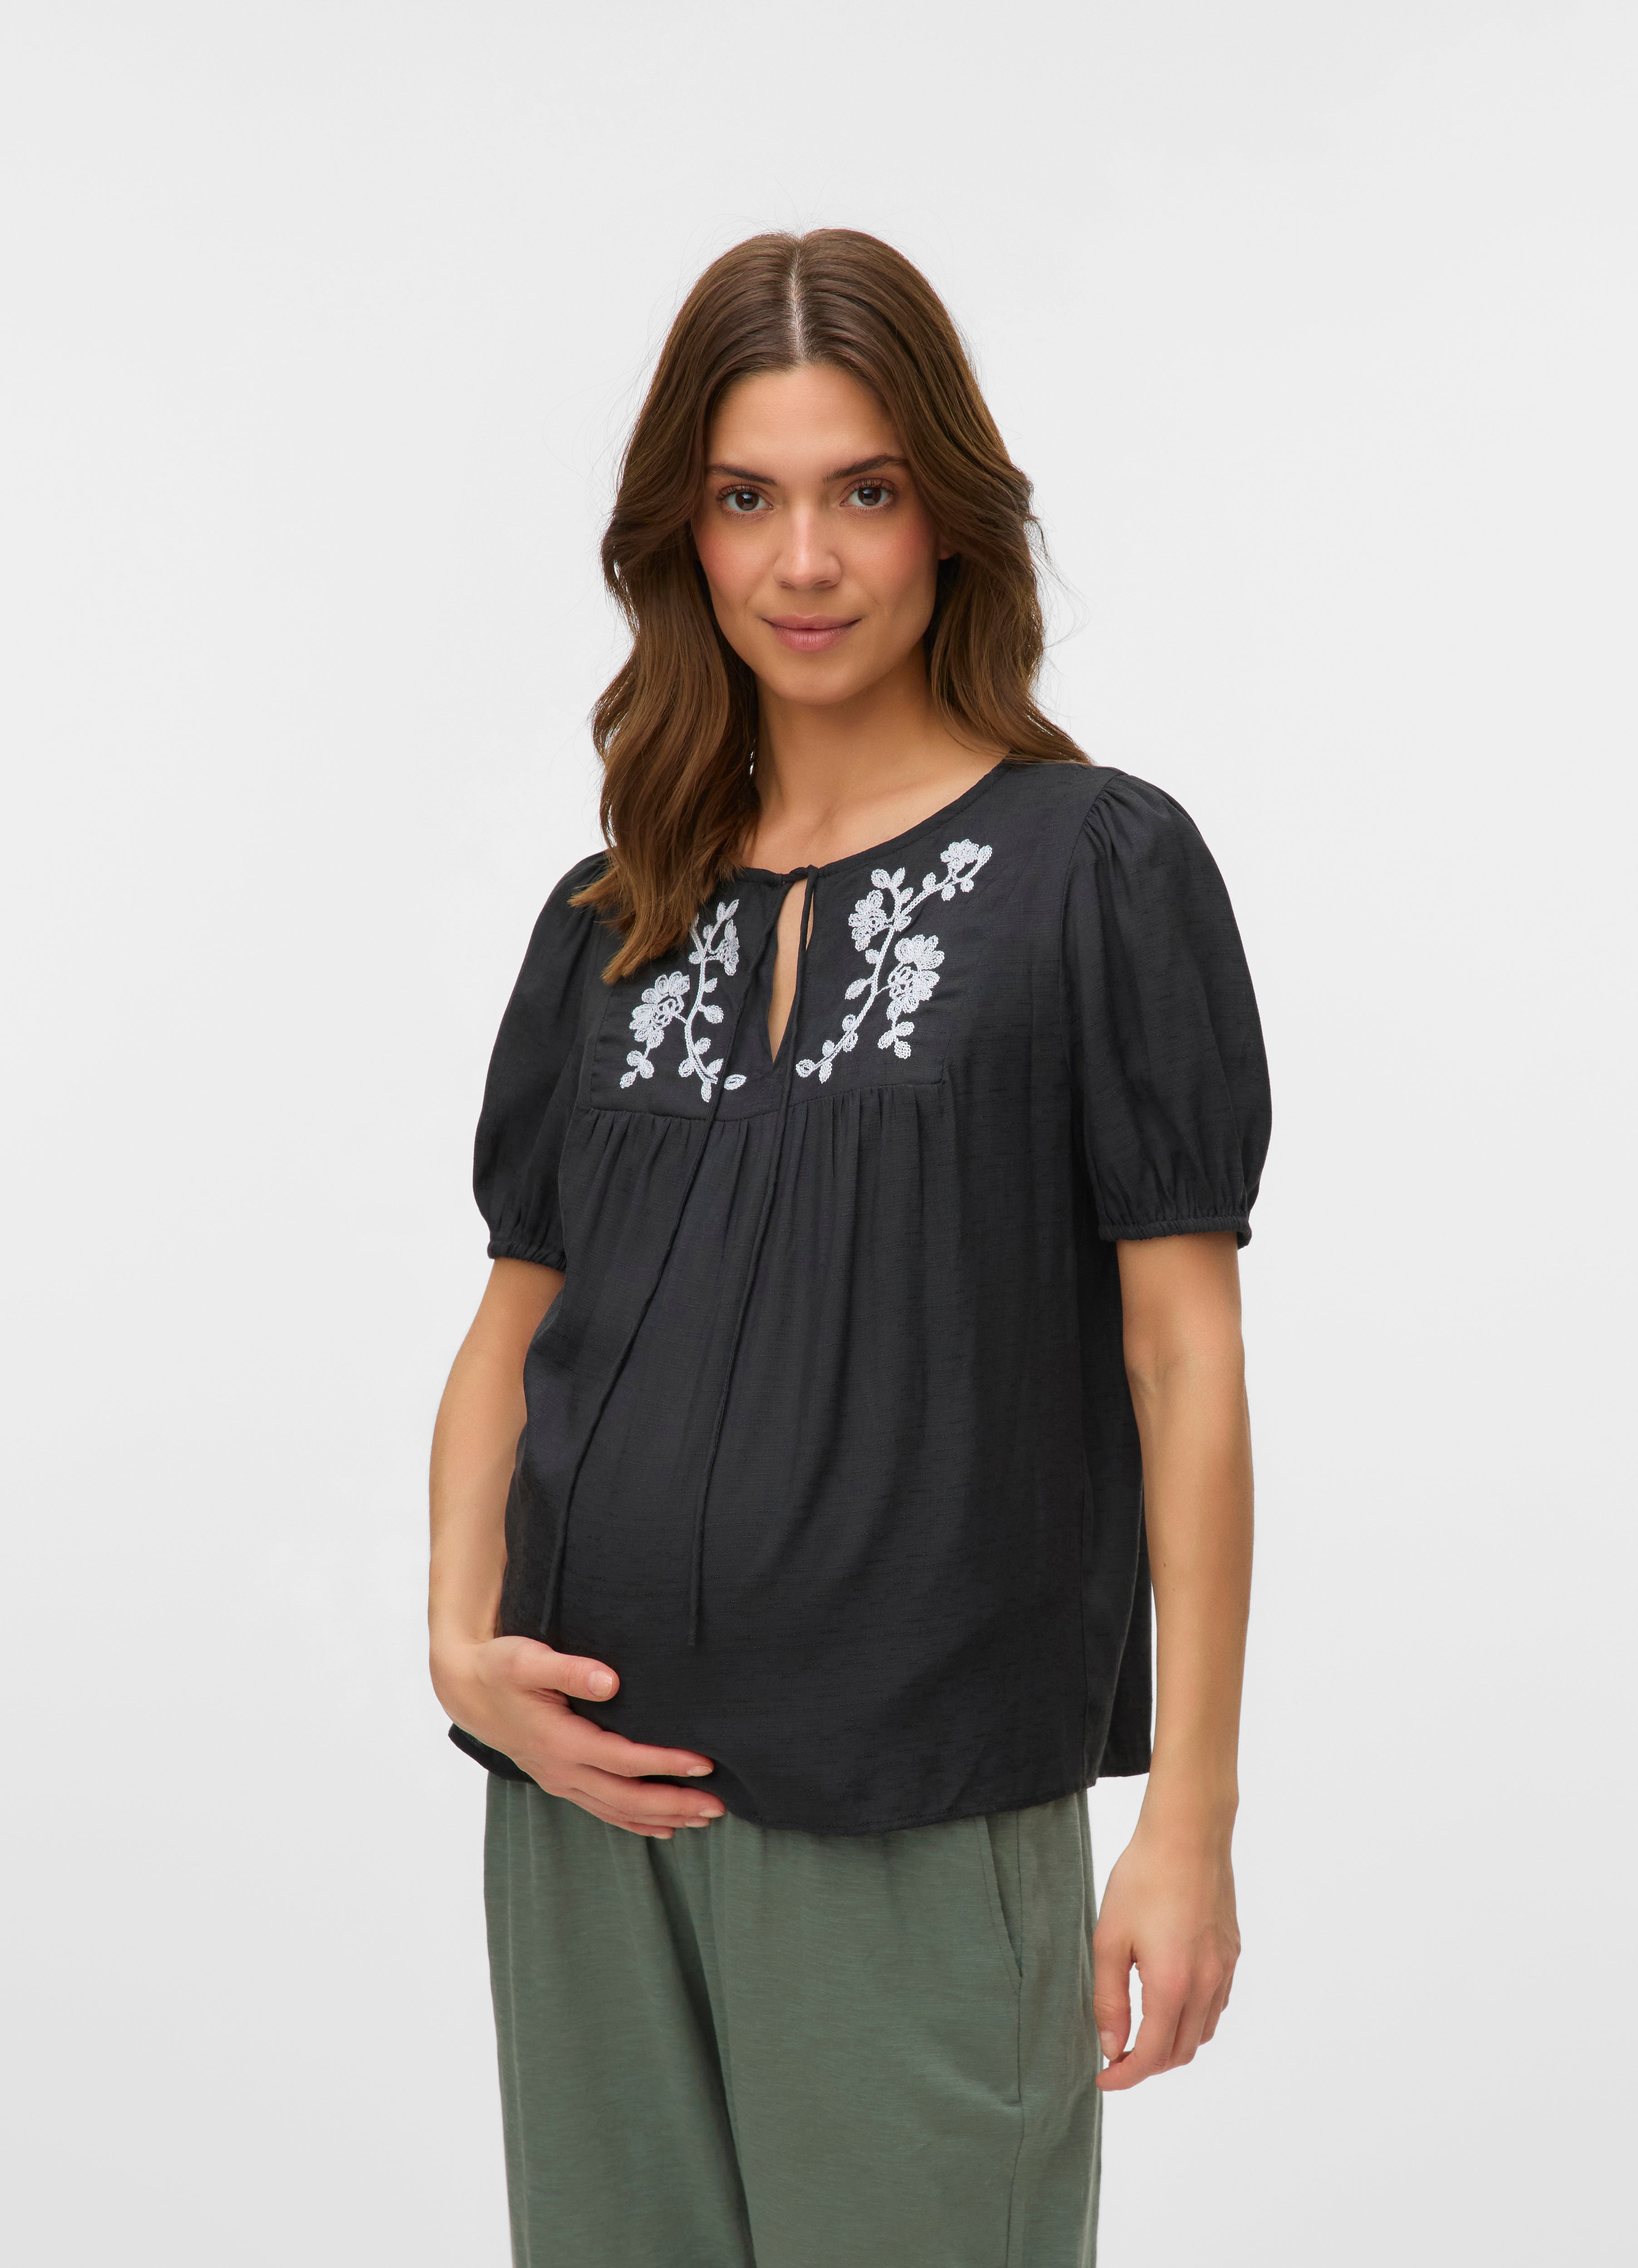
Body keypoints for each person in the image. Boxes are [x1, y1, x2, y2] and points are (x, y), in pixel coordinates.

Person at [427, 228, 1271, 2268]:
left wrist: (1188, 1815)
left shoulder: (1094, 870)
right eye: (747, 498)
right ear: (684, 537)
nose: (803, 561)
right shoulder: (609, 916)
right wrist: (459, 1643)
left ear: (948, 519)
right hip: (587, 1801)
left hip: (916, 1801)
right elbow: (515, 1317)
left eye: (862, 492)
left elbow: (1182, 1360)